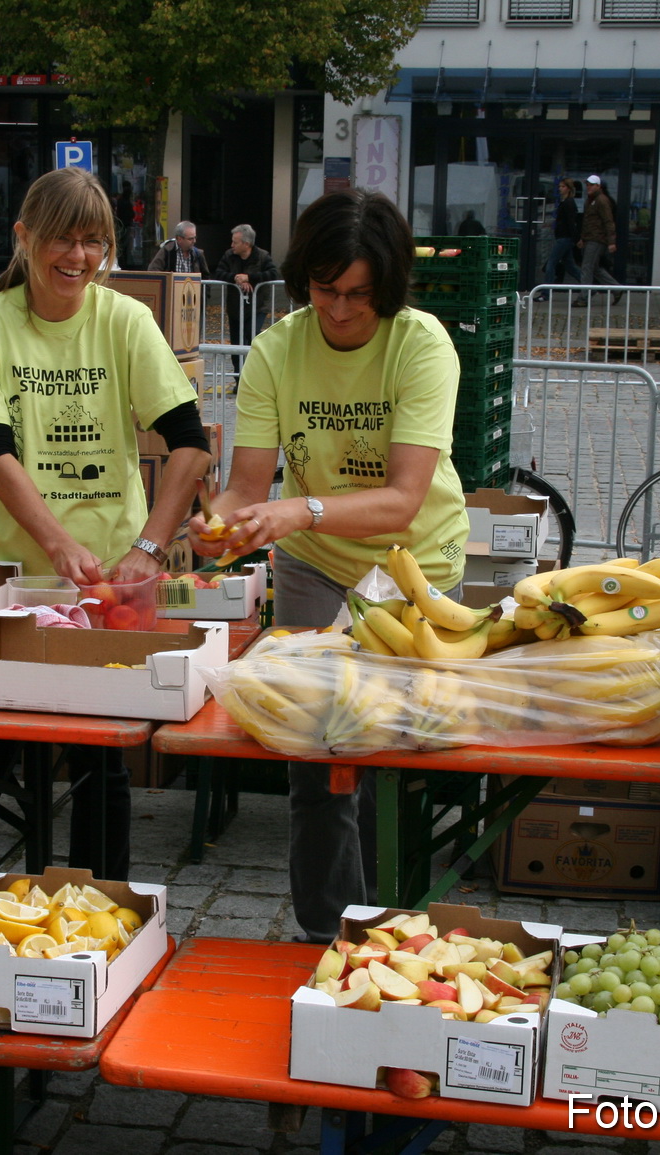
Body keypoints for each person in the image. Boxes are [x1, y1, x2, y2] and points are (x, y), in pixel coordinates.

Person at [189, 188, 470, 943]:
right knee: (312, 750)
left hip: (414, 568)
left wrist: (298, 509)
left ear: (388, 287)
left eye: (358, 295)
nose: (340, 310)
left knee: (384, 749)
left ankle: (394, 935)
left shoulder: (422, 345)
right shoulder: (279, 348)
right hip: (315, 567)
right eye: (324, 291)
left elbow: (405, 500)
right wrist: (225, 528)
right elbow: (250, 487)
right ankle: (322, 934)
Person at [0, 166, 211, 876]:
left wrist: (150, 547)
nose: (79, 257)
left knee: (103, 760)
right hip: (14, 581)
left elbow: (190, 440)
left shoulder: (124, 320)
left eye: (94, 242)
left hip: (108, 589)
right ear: (24, 238)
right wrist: (55, 542)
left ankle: (102, 914)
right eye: (63, 239)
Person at [213, 224, 280, 369]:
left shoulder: (262, 256)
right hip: (235, 308)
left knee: (252, 335)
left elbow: (273, 273)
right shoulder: (229, 255)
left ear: (246, 244)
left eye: (235, 242)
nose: (232, 245)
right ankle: (238, 379)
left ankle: (257, 369)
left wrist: (250, 278)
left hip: (258, 306)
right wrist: (235, 278)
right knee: (236, 344)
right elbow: (218, 272)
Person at [574, 175, 622, 304]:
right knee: (594, 268)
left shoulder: (601, 200)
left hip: (597, 239)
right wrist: (583, 238)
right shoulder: (591, 200)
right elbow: (588, 222)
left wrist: (611, 241)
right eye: (587, 184)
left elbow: (608, 221)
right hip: (591, 238)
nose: (588, 187)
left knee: (587, 267)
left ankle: (584, 297)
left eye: (591, 184)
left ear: (598, 186)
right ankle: (616, 288)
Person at [533, 179, 581, 301]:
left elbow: (571, 223)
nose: (560, 188)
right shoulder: (565, 203)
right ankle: (590, 287)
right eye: (559, 186)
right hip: (564, 237)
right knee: (570, 266)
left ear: (568, 188)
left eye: (563, 186)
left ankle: (545, 294)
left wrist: (576, 238)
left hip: (564, 238)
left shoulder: (568, 203)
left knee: (551, 264)